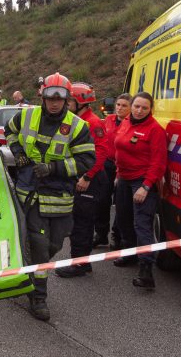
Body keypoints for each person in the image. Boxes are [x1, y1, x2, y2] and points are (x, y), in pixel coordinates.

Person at [4, 72, 95, 320]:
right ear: (42, 96)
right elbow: (9, 131)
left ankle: (29, 269)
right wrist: (18, 151)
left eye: (60, 97)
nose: (54, 102)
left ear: (67, 99)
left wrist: (54, 168)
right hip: (31, 194)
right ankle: (38, 297)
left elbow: (87, 160)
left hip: (60, 197)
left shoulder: (78, 127)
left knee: (55, 245)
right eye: (49, 96)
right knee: (41, 247)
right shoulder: (26, 115)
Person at [112, 92, 167, 289]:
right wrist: (118, 174)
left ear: (150, 109)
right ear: (132, 106)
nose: (139, 110)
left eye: (144, 108)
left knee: (141, 225)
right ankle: (130, 254)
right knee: (123, 219)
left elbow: (158, 163)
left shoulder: (155, 130)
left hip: (142, 182)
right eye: (136, 106)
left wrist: (145, 186)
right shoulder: (126, 122)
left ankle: (146, 271)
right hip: (124, 179)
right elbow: (119, 149)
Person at [56, 83, 110, 278]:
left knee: (82, 223)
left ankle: (79, 264)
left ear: (81, 103)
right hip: (80, 176)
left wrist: (87, 176)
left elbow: (102, 152)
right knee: (78, 220)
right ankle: (80, 261)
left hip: (90, 179)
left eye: (69, 101)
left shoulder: (93, 123)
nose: (66, 104)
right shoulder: (74, 120)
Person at [94, 93, 131, 249]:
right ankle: (101, 234)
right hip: (107, 165)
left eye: (124, 105)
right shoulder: (108, 120)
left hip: (122, 167)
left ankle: (117, 236)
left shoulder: (131, 124)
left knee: (121, 204)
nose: (120, 108)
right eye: (118, 105)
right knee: (102, 200)